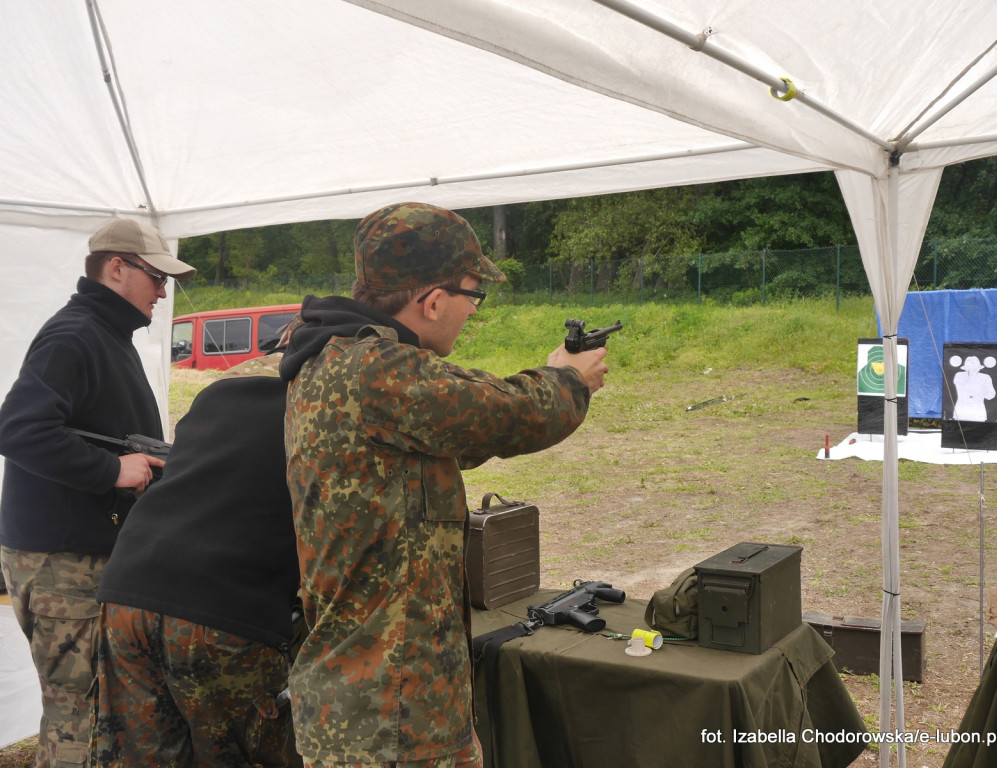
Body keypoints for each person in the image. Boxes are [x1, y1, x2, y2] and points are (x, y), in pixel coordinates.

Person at [280, 201, 609, 768]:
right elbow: (510, 415)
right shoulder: (376, 369)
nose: (472, 313)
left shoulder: (339, 360)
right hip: (390, 717)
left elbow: (463, 429)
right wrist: (570, 382)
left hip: (383, 700)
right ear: (433, 300)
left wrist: (559, 376)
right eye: (471, 297)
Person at [0, 218, 195, 768]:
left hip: (81, 554)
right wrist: (110, 471)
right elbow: (18, 429)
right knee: (79, 716)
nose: (163, 291)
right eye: (157, 277)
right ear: (116, 268)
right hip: (62, 562)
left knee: (99, 710)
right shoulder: (75, 335)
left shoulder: (105, 333)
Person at [90, 348, 302, 768]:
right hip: (223, 612)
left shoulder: (218, 395)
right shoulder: (322, 405)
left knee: (140, 756)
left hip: (128, 592)